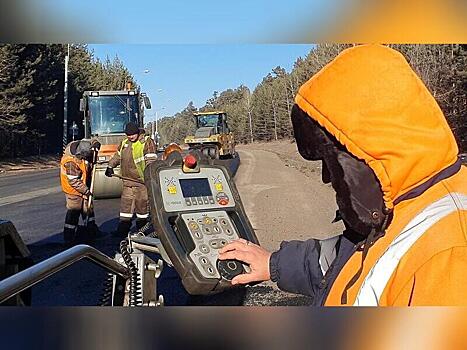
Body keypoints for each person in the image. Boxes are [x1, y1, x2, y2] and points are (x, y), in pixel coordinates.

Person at [218, 44, 467, 306]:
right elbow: (339, 259)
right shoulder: (400, 204)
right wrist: (272, 262)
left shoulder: (451, 255)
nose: (327, 177)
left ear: (362, 154)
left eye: (331, 161)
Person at [105, 122, 157, 236]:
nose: (130, 137)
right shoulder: (124, 143)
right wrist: (110, 166)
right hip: (127, 182)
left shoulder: (146, 142)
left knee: (142, 207)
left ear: (137, 133)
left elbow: (151, 161)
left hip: (141, 182)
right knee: (125, 207)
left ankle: (142, 230)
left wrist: (149, 177)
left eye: (132, 134)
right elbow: (117, 156)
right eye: (128, 135)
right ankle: (122, 230)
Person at [60, 139, 101, 245]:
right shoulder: (70, 162)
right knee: (74, 212)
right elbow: (74, 181)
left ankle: (91, 231)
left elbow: (92, 141)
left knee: (88, 210)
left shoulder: (82, 144)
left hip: (83, 185)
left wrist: (96, 144)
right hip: (73, 190)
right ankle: (69, 237)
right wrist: (86, 191)